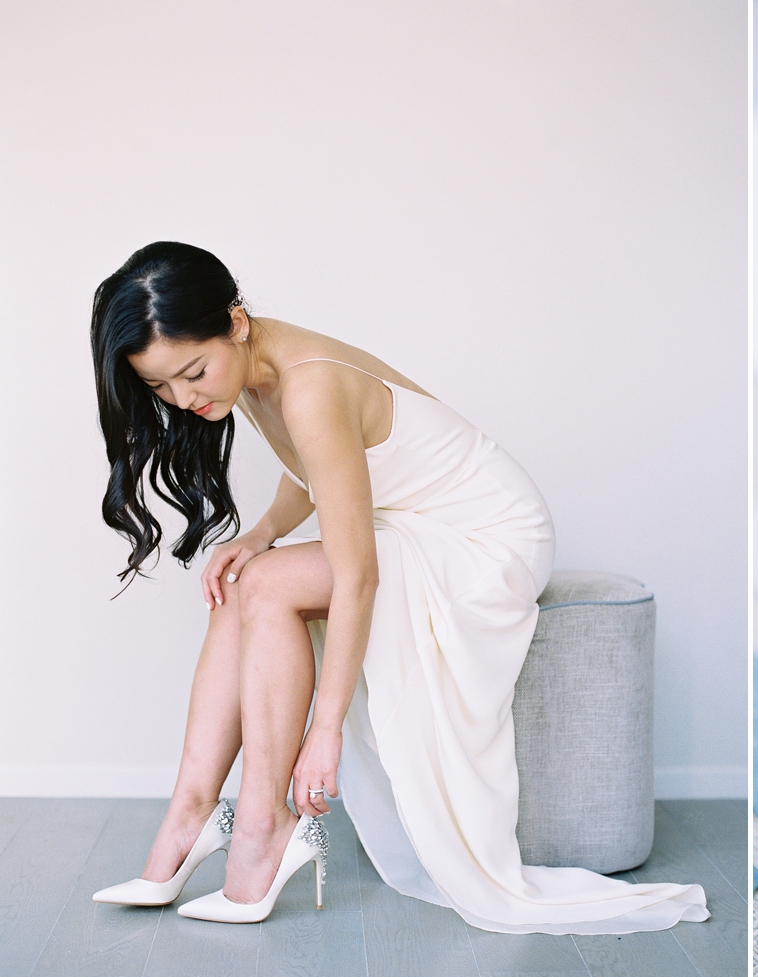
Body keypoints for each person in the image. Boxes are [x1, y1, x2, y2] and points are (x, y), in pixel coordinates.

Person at [87, 241, 709, 932]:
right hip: (421, 525)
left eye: (192, 373)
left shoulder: (310, 384)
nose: (184, 399)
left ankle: (263, 831)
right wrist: (260, 532)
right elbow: (318, 470)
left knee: (261, 587)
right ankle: (190, 817)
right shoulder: (255, 371)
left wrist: (325, 733)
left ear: (235, 321)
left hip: (486, 539)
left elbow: (358, 575)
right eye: (162, 388)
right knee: (242, 579)